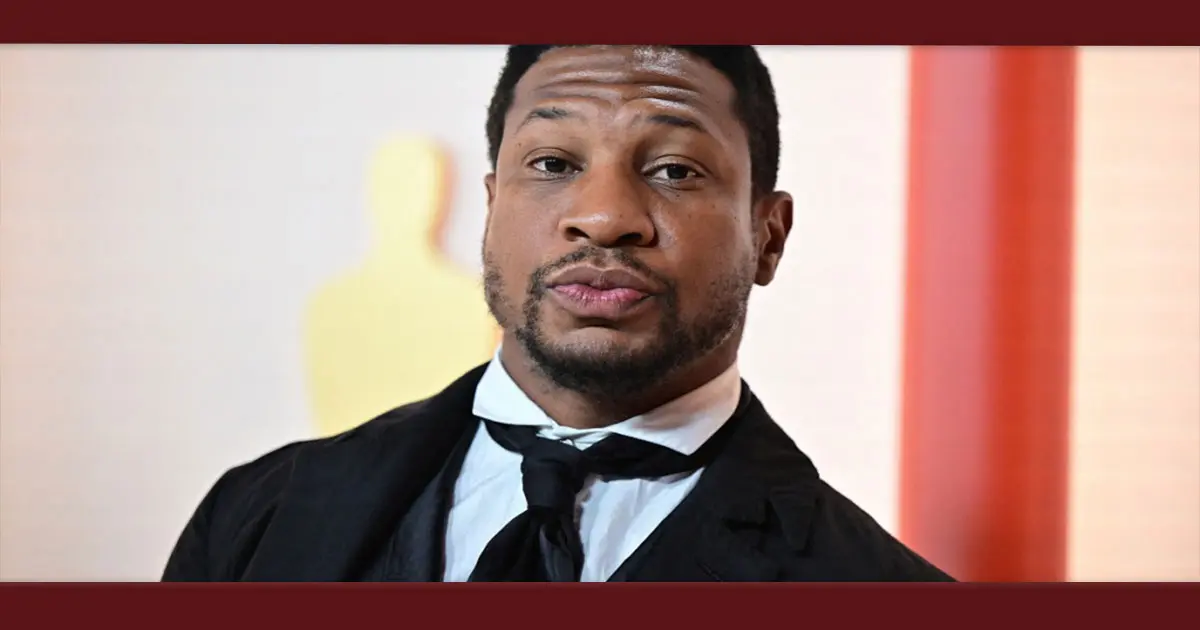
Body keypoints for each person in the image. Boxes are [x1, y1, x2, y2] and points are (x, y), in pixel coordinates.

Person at [162, 44, 954, 582]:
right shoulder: (255, 516)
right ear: (489, 211)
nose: (603, 217)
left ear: (767, 238)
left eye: (675, 170)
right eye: (551, 163)